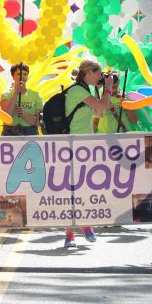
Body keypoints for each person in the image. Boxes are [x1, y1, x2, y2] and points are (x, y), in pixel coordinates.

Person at [61, 60, 115, 248]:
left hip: (84, 146)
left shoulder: (86, 91)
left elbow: (99, 113)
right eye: (99, 73)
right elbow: (102, 105)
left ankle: (77, 229)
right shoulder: (77, 90)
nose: (101, 77)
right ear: (89, 72)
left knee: (81, 189)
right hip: (73, 146)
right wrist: (107, 88)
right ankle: (77, 230)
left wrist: (102, 92)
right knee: (73, 191)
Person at [0, 63, 42, 136]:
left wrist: (24, 114)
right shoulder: (6, 94)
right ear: (13, 76)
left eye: (25, 74)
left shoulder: (36, 95)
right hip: (10, 132)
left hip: (30, 132)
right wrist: (16, 92)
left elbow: (39, 121)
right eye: (18, 74)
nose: (22, 76)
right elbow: (6, 117)